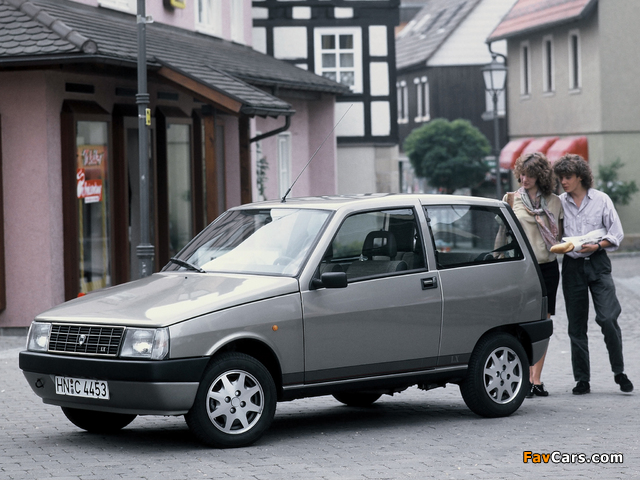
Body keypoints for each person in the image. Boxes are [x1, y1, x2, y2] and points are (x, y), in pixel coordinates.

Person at [553, 154, 633, 395]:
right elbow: (553, 235)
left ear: (580, 177)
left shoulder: (601, 200)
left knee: (608, 318)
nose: (563, 182)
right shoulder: (559, 203)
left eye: (567, 177)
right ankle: (582, 379)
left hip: (598, 263)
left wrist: (597, 246)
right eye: (561, 178)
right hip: (572, 267)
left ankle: (619, 372)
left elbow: (616, 234)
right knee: (576, 325)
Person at [505, 152, 563, 398]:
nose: (523, 178)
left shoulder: (554, 202)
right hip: (521, 269)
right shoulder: (511, 199)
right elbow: (503, 235)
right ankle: (521, 376)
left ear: (539, 176)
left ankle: (535, 379)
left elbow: (559, 237)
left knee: (543, 322)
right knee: (519, 322)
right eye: (520, 173)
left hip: (547, 267)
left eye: (528, 174)